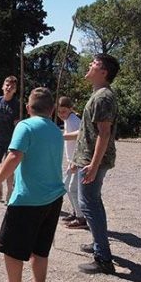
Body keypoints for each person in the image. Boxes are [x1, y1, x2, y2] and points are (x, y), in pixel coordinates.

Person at [0, 87, 66, 282]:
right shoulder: (55, 129)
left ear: (28, 107)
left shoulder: (25, 126)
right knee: (40, 248)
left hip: (28, 199)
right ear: (52, 110)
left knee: (12, 248)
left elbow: (14, 156)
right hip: (53, 199)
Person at [65, 54, 120, 274]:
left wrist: (94, 165)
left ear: (104, 72)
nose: (89, 65)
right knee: (93, 203)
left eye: (94, 64)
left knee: (89, 204)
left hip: (92, 161)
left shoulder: (103, 97)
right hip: (89, 160)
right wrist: (62, 136)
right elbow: (89, 130)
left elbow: (104, 134)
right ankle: (99, 245)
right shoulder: (98, 95)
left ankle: (103, 259)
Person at [56, 96, 87, 229]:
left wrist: (60, 136)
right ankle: (76, 212)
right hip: (72, 160)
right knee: (66, 186)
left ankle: (81, 218)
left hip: (77, 160)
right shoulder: (69, 119)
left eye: (64, 111)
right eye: (59, 112)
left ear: (70, 109)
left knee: (71, 188)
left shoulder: (73, 120)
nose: (61, 114)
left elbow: (80, 135)